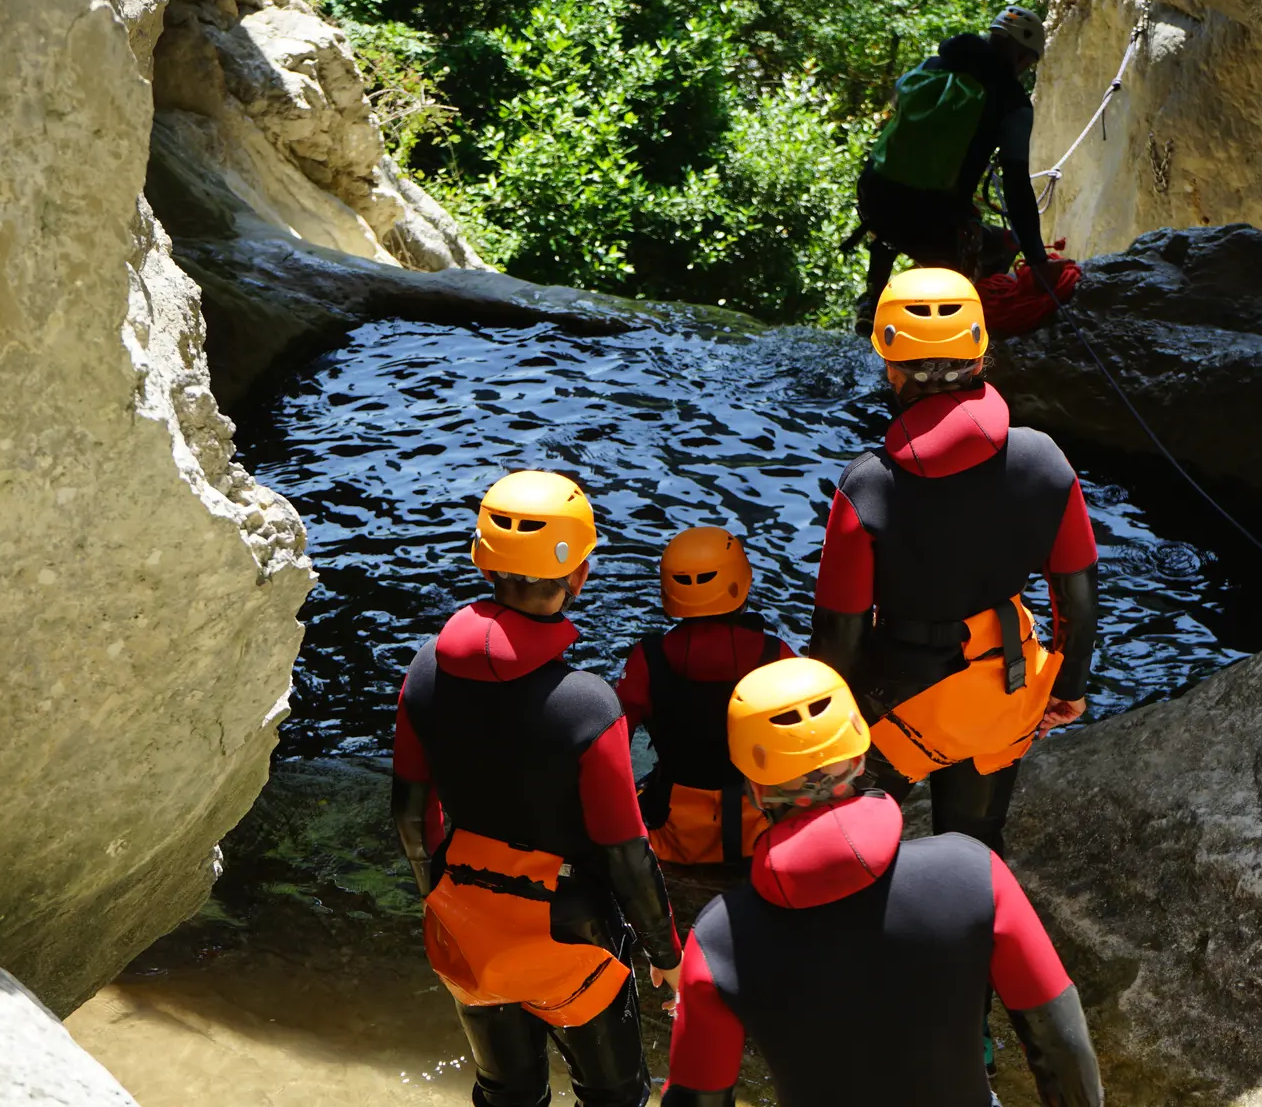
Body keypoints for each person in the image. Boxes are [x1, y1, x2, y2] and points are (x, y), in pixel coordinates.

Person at [658, 657, 1104, 1106]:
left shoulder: (720, 939)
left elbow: (697, 1099)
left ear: (754, 790)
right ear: (859, 757)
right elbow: (1063, 1046)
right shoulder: (971, 873)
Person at [391, 470, 683, 1107]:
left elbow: (412, 818)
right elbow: (625, 852)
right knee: (614, 1098)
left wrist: (441, 901)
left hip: (467, 914)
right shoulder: (587, 706)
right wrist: (665, 951)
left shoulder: (424, 669)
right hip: (570, 930)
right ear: (580, 574)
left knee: (506, 1093)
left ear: (482, 561)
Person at [808, 266, 1100, 858]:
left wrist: (826, 731)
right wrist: (1067, 687)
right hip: (1004, 684)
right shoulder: (1044, 459)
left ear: (891, 366)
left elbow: (841, 633)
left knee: (851, 849)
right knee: (974, 845)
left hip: (897, 700)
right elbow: (1078, 597)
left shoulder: (868, 486)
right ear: (980, 355)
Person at [852, 4, 1056, 336]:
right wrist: (1037, 259)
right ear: (1021, 56)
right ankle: (960, 319)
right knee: (1005, 244)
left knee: (892, 225)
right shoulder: (1013, 104)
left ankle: (872, 301)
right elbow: (1016, 184)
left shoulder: (932, 66)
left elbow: (899, 104)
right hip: (934, 221)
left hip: (875, 198)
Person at [615, 527, 794, 865]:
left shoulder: (648, 658)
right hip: (757, 830)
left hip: (671, 834)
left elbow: (614, 743)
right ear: (742, 582)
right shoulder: (776, 654)